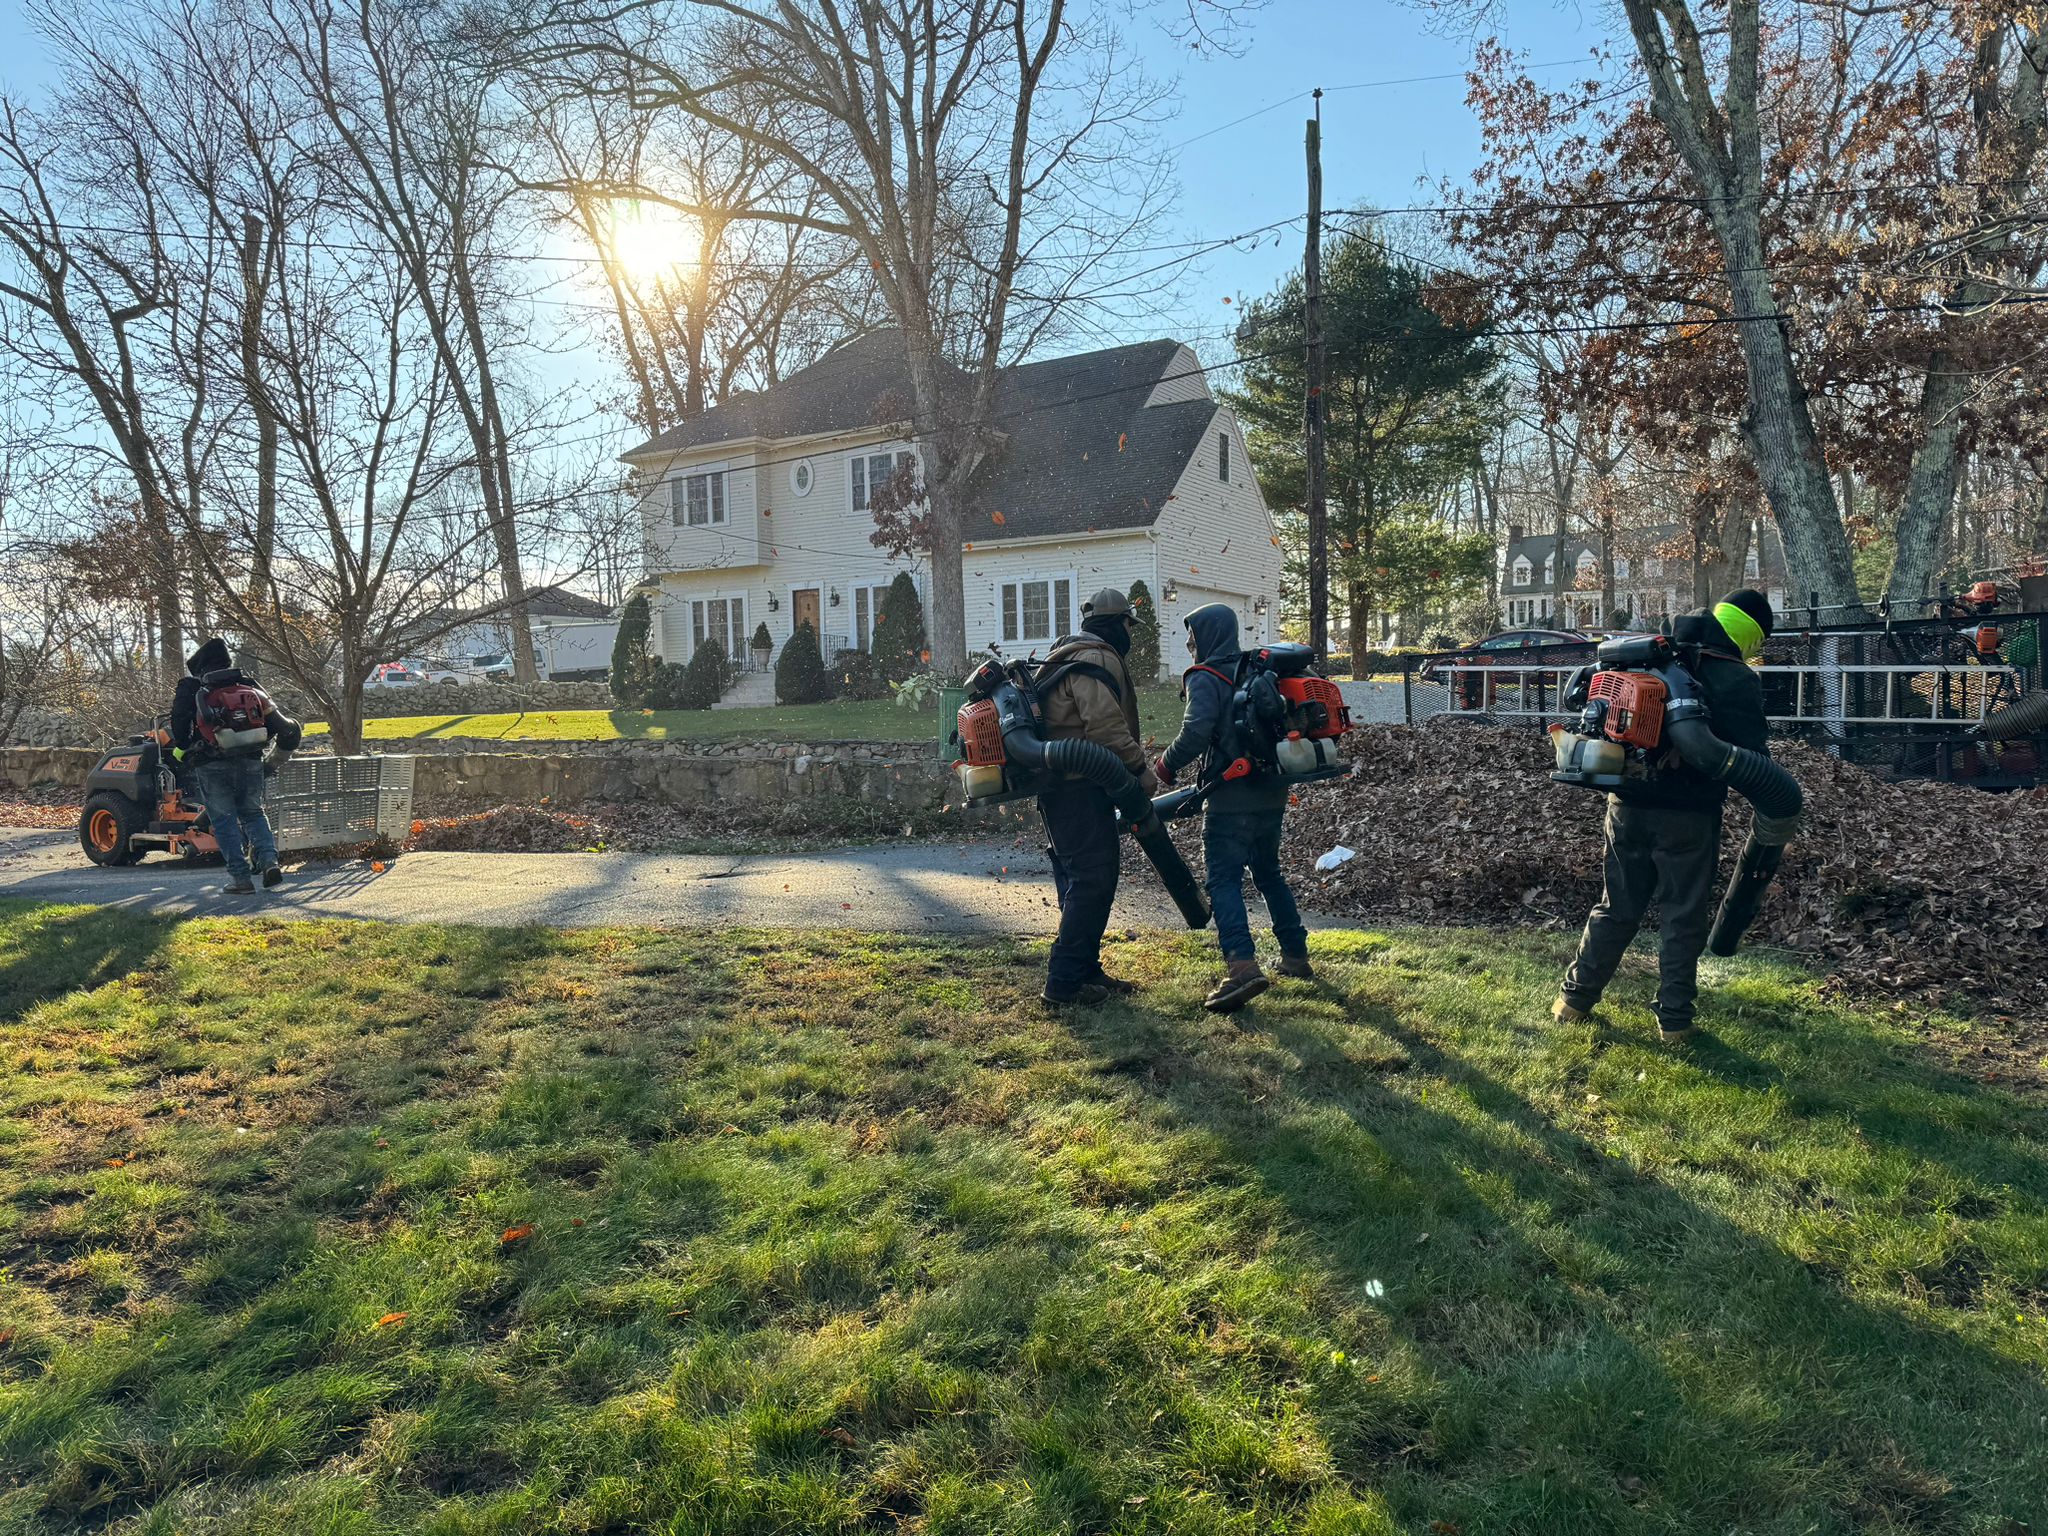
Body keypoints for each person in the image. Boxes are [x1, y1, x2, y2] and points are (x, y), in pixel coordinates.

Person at [1554, 588, 1776, 1044]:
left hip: (1626, 804)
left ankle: (1573, 1001)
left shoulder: (1646, 656)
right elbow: (1751, 756)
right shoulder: (1734, 677)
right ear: (1751, 637)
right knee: (1682, 916)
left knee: (1616, 906)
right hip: (1688, 816)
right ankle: (1674, 1022)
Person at [1153, 603, 1310, 1013]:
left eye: (1193, 636)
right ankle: (1295, 955)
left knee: (1223, 880)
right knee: (1269, 874)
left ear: (1209, 635)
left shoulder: (1206, 676)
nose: (1190, 644)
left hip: (1229, 798)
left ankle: (1242, 967)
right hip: (1271, 792)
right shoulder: (1254, 670)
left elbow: (1195, 731)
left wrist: (1165, 765)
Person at [1035, 588, 1159, 1007]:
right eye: (1129, 625)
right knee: (1092, 880)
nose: (1130, 634)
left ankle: (1085, 969)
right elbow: (1105, 727)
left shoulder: (1065, 653)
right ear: (1119, 623)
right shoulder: (1096, 658)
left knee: (1081, 878)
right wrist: (1139, 770)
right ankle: (1063, 983)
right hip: (1079, 788)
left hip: (1059, 787)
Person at [172, 636, 302, 896]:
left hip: (211, 763)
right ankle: (269, 862)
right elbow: (279, 726)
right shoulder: (248, 684)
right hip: (251, 760)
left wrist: (187, 748)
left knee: (224, 821)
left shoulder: (192, 687)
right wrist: (265, 755)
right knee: (253, 813)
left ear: (199, 666)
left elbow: (179, 732)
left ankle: (241, 879)